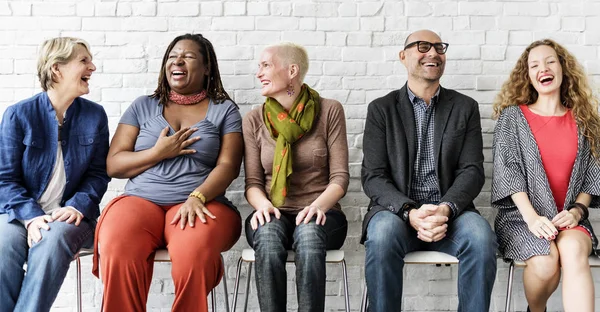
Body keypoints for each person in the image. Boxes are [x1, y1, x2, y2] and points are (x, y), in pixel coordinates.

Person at [93, 33, 243, 312]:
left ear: (207, 67)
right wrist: (158, 153)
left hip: (200, 202)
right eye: (173, 56)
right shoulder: (142, 106)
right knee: (118, 244)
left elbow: (229, 166)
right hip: (140, 200)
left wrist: (198, 196)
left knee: (193, 253)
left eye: (188, 56)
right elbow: (113, 164)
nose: (178, 60)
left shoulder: (225, 110)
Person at [361, 29, 498, 312]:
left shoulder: (465, 107)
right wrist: (410, 212)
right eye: (423, 46)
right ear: (403, 56)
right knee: (383, 236)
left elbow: (472, 170)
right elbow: (373, 176)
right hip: (397, 212)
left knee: (482, 239)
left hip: (451, 213)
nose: (433, 53)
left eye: (439, 47)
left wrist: (445, 209)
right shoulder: (381, 109)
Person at [0, 37, 110, 312]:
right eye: (83, 60)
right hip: (21, 213)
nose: (92, 67)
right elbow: (5, 179)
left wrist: (78, 205)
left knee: (51, 241)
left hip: (71, 217)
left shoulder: (95, 116)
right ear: (56, 69)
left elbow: (98, 174)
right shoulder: (18, 115)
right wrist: (31, 217)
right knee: (3, 245)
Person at [492, 39, 600, 312]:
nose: (543, 68)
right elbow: (509, 171)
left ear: (562, 68)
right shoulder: (512, 118)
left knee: (574, 251)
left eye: (550, 61)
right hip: (522, 218)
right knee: (545, 259)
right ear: (528, 75)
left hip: (568, 218)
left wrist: (577, 211)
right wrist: (532, 218)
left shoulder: (585, 120)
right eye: (534, 65)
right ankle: (536, 310)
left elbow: (593, 174)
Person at [243, 42, 349, 311]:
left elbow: (340, 178)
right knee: (266, 238)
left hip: (323, 213)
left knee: (310, 234)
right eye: (259, 66)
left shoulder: (329, 110)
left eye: (266, 65)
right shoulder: (254, 119)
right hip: (273, 211)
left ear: (292, 70)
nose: (259, 73)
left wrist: (317, 207)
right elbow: (253, 183)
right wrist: (264, 205)